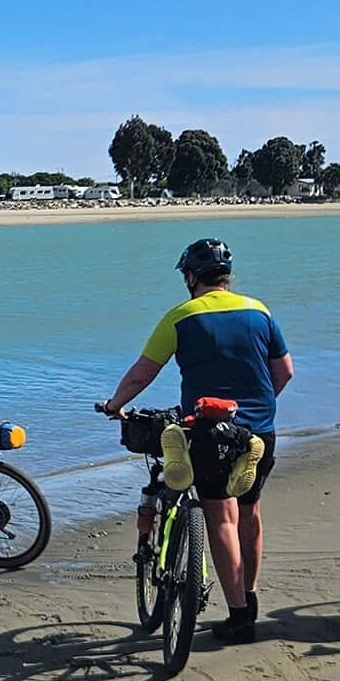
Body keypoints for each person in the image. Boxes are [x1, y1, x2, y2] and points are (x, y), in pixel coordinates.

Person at [101, 239, 294, 641]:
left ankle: (239, 616)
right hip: (258, 429)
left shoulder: (181, 317)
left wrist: (116, 405)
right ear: (227, 277)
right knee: (249, 511)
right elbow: (285, 372)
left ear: (191, 277)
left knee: (221, 515)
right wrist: (257, 409)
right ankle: (251, 596)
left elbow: (142, 373)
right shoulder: (260, 311)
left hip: (208, 430)